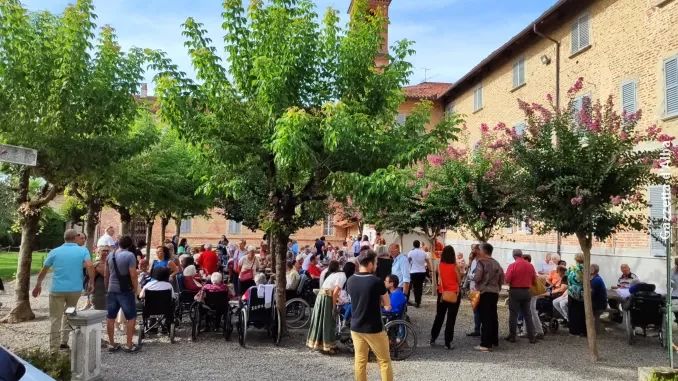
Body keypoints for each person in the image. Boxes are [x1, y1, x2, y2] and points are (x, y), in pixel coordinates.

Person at [32, 229, 94, 351]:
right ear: (75, 237)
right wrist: (91, 281)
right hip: (74, 290)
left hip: (57, 290)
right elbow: (90, 265)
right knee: (69, 315)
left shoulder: (54, 251)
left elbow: (44, 270)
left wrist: (38, 285)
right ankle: (64, 342)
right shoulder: (82, 250)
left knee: (55, 318)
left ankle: (53, 348)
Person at [346, 250, 393, 381]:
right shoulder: (376, 281)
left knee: (360, 361)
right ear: (371, 264)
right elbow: (386, 302)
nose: (377, 265)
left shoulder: (350, 280)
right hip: (373, 327)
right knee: (384, 361)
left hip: (356, 326)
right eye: (376, 263)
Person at [104, 235, 139, 353]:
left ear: (118, 243)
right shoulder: (130, 256)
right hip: (125, 290)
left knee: (110, 317)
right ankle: (129, 344)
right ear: (130, 245)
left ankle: (112, 343)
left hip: (111, 289)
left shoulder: (110, 255)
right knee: (131, 317)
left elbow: (106, 274)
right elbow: (133, 274)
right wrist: (136, 289)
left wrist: (107, 288)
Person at [307, 260, 346, 354]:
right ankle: (327, 346)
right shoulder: (342, 276)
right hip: (326, 298)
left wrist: (338, 300)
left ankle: (322, 344)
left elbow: (333, 291)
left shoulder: (333, 275)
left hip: (321, 297)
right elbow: (335, 292)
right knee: (327, 321)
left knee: (321, 320)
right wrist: (333, 307)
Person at [473, 243, 505, 352]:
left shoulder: (481, 262)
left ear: (483, 251)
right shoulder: (496, 263)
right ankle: (494, 341)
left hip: (484, 292)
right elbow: (502, 278)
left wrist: (472, 277)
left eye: (479, 250)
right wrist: (498, 288)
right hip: (494, 292)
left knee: (485, 318)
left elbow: (477, 277)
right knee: (493, 317)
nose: (478, 251)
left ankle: (485, 344)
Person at [430, 246, 462, 349]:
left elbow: (439, 279)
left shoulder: (439, 265)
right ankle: (448, 342)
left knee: (439, 316)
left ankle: (433, 337)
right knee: (451, 318)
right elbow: (459, 281)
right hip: (454, 293)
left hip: (442, 293)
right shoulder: (454, 266)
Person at [505, 249, 537, 343]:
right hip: (527, 290)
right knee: (528, 313)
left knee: (513, 313)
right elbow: (534, 279)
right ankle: (531, 336)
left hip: (515, 290)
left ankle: (512, 335)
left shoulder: (512, 265)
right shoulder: (530, 265)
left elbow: (507, 279)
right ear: (522, 255)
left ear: (514, 256)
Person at [567, 253, 586, 336]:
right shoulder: (586, 268)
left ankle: (574, 331)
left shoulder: (571, 268)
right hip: (582, 292)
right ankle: (583, 330)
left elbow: (566, 276)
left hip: (572, 292)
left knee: (573, 312)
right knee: (582, 312)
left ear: (575, 259)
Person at [464, 244, 481, 337]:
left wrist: (471, 277)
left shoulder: (479, 261)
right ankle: (477, 329)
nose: (472, 250)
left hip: (477, 288)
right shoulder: (473, 261)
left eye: (474, 248)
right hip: (473, 288)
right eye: (471, 248)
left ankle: (478, 329)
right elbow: (468, 274)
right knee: (475, 309)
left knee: (478, 309)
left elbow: (474, 275)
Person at [408, 240, 431, 308]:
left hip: (413, 271)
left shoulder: (411, 252)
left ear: (413, 245)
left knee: (414, 287)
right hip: (422, 271)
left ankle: (415, 301)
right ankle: (418, 301)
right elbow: (428, 262)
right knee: (420, 287)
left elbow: (408, 261)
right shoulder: (424, 253)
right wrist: (430, 270)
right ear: (419, 245)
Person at [91, 246, 110, 311]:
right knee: (100, 314)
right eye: (104, 251)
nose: (106, 252)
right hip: (99, 294)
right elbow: (107, 275)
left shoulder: (107, 263)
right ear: (98, 252)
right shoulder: (98, 263)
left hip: (105, 292)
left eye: (107, 251)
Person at [590, 264, 608, 333]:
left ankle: (595, 330)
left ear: (593, 270)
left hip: (598, 304)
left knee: (595, 315)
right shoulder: (595, 278)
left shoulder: (596, 280)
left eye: (590, 268)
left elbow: (591, 292)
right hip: (598, 302)